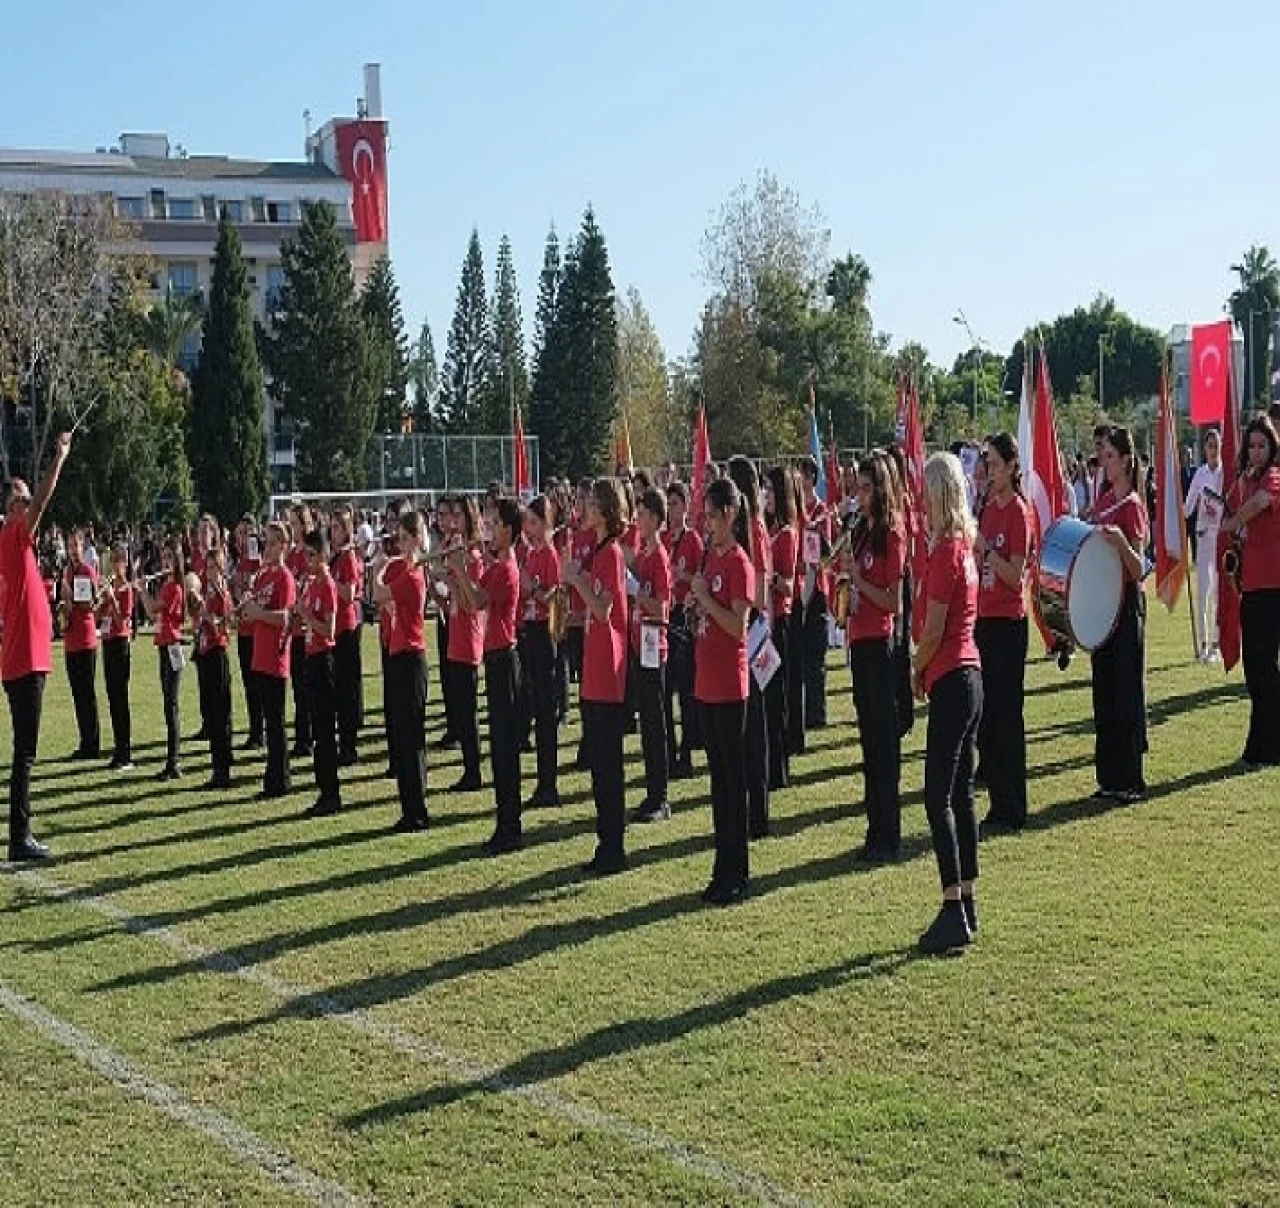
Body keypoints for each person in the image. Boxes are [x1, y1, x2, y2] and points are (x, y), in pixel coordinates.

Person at [912, 452, 983, 954]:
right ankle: (967, 899)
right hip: (969, 675)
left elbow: (935, 630)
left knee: (936, 795)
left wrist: (915, 667)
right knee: (961, 793)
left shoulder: (946, 554)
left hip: (953, 675)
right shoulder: (964, 549)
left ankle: (952, 904)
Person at [1, 430, 71, 862]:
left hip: (25, 659)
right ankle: (19, 836)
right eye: (21, 500)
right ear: (11, 508)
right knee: (25, 753)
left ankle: (19, 832)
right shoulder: (12, 535)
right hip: (24, 660)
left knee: (25, 751)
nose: (29, 505)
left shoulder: (17, 543)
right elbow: (44, 502)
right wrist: (58, 457)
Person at [691, 476, 755, 906]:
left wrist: (707, 601)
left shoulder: (738, 563)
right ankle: (721, 867)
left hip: (731, 686)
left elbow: (737, 627)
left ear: (730, 515)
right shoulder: (709, 558)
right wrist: (697, 608)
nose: (708, 524)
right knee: (717, 784)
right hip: (706, 681)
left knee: (734, 783)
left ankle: (738, 871)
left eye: (713, 516)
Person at [563, 479, 629, 875]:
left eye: (590, 503)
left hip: (607, 668)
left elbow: (605, 610)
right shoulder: (600, 551)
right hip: (595, 666)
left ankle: (613, 846)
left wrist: (577, 580)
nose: (585, 509)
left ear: (604, 509)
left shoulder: (611, 554)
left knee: (608, 764)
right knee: (599, 765)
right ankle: (606, 841)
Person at [843, 454, 905, 862]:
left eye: (867, 489)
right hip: (859, 642)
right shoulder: (861, 531)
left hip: (881, 645)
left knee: (883, 743)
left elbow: (893, 602)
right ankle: (873, 828)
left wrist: (860, 582)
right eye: (858, 489)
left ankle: (889, 831)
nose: (861, 497)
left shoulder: (891, 533)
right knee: (867, 741)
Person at [452, 496, 523, 853]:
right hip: (493, 659)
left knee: (506, 747)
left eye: (494, 524)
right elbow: (469, 602)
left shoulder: (507, 568)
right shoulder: (495, 566)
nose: (489, 530)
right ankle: (504, 821)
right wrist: (456, 575)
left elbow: (479, 600)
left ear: (508, 530)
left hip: (504, 659)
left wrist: (460, 569)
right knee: (498, 746)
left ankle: (511, 825)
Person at [974, 433, 1034, 834]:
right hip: (984, 619)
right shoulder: (987, 509)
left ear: (1012, 467)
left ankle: (1013, 805)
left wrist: (987, 552)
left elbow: (1015, 575)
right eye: (988, 464)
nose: (989, 471)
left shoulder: (1017, 512)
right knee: (989, 719)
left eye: (995, 464)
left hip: (1008, 623)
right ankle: (997, 800)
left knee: (1008, 717)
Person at [1091, 425, 1150, 803]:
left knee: (1126, 690)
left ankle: (1131, 777)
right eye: (1104, 455)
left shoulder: (1132, 505)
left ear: (1126, 460)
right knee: (1104, 691)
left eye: (1110, 456)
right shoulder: (1102, 502)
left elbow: (1140, 567)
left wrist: (1121, 543)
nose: (1105, 461)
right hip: (1102, 604)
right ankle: (1109, 777)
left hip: (1127, 604)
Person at [1220, 414, 1280, 766]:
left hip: (1272, 585)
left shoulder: (1273, 477)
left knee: (1265, 668)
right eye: (1252, 446)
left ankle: (1268, 745)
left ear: (1272, 447)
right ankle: (1260, 744)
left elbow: (1259, 506)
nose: (1256, 452)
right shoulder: (1248, 482)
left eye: (1262, 445)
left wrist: (1231, 521)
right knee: (1255, 670)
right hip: (1252, 586)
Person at [727, 456, 771, 839]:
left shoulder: (754, 527)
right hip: (747, 625)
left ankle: (758, 811)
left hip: (753, 628)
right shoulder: (747, 527)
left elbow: (760, 590)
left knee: (755, 724)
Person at [241, 521, 296, 800]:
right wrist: (247, 608)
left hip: (275, 655)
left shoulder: (285, 577)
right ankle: (272, 778)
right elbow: (253, 614)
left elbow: (285, 617)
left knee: (276, 722)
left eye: (274, 543)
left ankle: (280, 780)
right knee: (268, 720)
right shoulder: (262, 576)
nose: (269, 548)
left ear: (284, 546)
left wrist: (258, 613)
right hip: (260, 654)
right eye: (267, 542)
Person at [629, 487, 672, 823]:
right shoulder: (643, 554)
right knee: (646, 723)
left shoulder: (659, 557)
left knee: (656, 723)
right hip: (638, 643)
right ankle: (651, 791)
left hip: (653, 644)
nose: (637, 519)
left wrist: (637, 593)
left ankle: (661, 796)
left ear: (656, 519)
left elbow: (662, 608)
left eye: (642, 514)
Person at [519, 495, 562, 809]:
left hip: (545, 634)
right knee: (534, 706)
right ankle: (542, 782)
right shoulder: (530, 554)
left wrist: (531, 589)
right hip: (530, 631)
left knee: (547, 712)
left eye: (534, 522)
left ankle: (549, 784)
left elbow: (554, 599)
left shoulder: (549, 555)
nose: (528, 529)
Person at [299, 528, 343, 816]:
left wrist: (307, 617)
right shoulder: (312, 583)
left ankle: (331, 793)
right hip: (311, 656)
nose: (308, 560)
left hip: (323, 658)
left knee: (326, 729)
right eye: (306, 555)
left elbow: (329, 629)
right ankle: (323, 788)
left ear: (324, 555)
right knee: (317, 727)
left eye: (312, 555)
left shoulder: (327, 585)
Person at [662, 480, 703, 779]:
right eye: (668, 504)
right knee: (666, 689)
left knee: (686, 690)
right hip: (666, 614)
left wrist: (683, 574)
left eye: (675, 504)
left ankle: (687, 751)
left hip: (684, 615)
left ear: (686, 506)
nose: (671, 509)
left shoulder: (692, 540)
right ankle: (669, 750)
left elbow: (700, 578)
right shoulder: (664, 539)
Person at [444, 497, 484, 792]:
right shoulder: (458, 554)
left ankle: (474, 771)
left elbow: (473, 604)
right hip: (455, 634)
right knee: (459, 709)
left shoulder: (473, 557)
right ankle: (468, 769)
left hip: (469, 638)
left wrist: (457, 572)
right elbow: (455, 602)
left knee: (468, 712)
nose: (453, 522)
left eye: (458, 516)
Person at [764, 466, 798, 791]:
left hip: (780, 620)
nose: (767, 497)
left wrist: (769, 576)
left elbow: (789, 585)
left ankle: (780, 767)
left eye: (772, 491)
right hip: (765, 621)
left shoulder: (787, 534)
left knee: (778, 697)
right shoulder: (766, 529)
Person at [141, 539, 187, 781]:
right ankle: (172, 760)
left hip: (172, 646)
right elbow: (153, 614)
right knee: (168, 705)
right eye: (164, 557)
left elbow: (152, 609)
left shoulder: (174, 588)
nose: (166, 562)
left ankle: (174, 761)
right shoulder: (166, 586)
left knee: (172, 705)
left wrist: (141, 590)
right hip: (164, 645)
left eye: (170, 557)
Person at [195, 544, 234, 790]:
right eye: (207, 568)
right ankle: (216, 766)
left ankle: (223, 769)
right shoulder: (208, 592)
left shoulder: (222, 594)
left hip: (217, 653)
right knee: (210, 712)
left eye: (213, 568)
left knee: (220, 714)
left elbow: (225, 627)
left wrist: (209, 618)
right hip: (206, 652)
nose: (208, 572)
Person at [1183, 428, 1224, 662]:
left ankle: (1216, 645)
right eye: (1209, 446)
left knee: (1218, 591)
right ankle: (1203, 643)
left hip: (1221, 536)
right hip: (1203, 537)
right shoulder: (1200, 474)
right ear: (1204, 448)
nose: (1213, 450)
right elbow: (1188, 506)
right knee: (1203, 591)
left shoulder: (1225, 473)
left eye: (1216, 445)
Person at [61, 527, 102, 760]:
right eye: (69, 546)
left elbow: (90, 603)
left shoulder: (86, 570)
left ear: (82, 547)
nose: (72, 550)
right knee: (77, 694)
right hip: (70, 639)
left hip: (85, 640)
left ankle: (92, 743)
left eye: (75, 546)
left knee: (87, 693)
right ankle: (84, 740)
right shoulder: (67, 571)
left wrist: (71, 600)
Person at [330, 506, 364, 767]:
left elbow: (349, 593)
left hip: (347, 628)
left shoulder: (348, 557)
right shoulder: (335, 557)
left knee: (347, 689)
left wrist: (330, 581)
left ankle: (349, 746)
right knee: (338, 689)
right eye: (331, 527)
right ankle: (342, 742)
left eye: (337, 528)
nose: (333, 532)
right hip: (335, 629)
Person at [99, 542, 134, 771]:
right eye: (111, 561)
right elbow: (98, 616)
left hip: (120, 643)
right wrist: (102, 600)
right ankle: (118, 749)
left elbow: (123, 621)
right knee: (112, 698)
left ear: (125, 563)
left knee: (120, 698)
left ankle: (126, 752)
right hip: (107, 642)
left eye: (117, 561)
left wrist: (112, 598)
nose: (113, 566)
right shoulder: (110, 587)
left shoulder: (126, 590)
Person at [231, 516, 264, 749]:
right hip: (243, 627)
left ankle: (258, 731)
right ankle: (254, 730)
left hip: (254, 628)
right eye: (240, 533)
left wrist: (243, 585)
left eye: (246, 533)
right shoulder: (241, 559)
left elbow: (254, 587)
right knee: (247, 681)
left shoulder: (255, 558)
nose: (242, 538)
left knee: (255, 682)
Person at [285, 503, 314, 759]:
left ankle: (306, 737)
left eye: (295, 523)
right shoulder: (291, 555)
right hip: (293, 628)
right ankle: (301, 735)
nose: (292, 529)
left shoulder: (309, 554)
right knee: (297, 686)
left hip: (306, 629)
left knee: (306, 687)